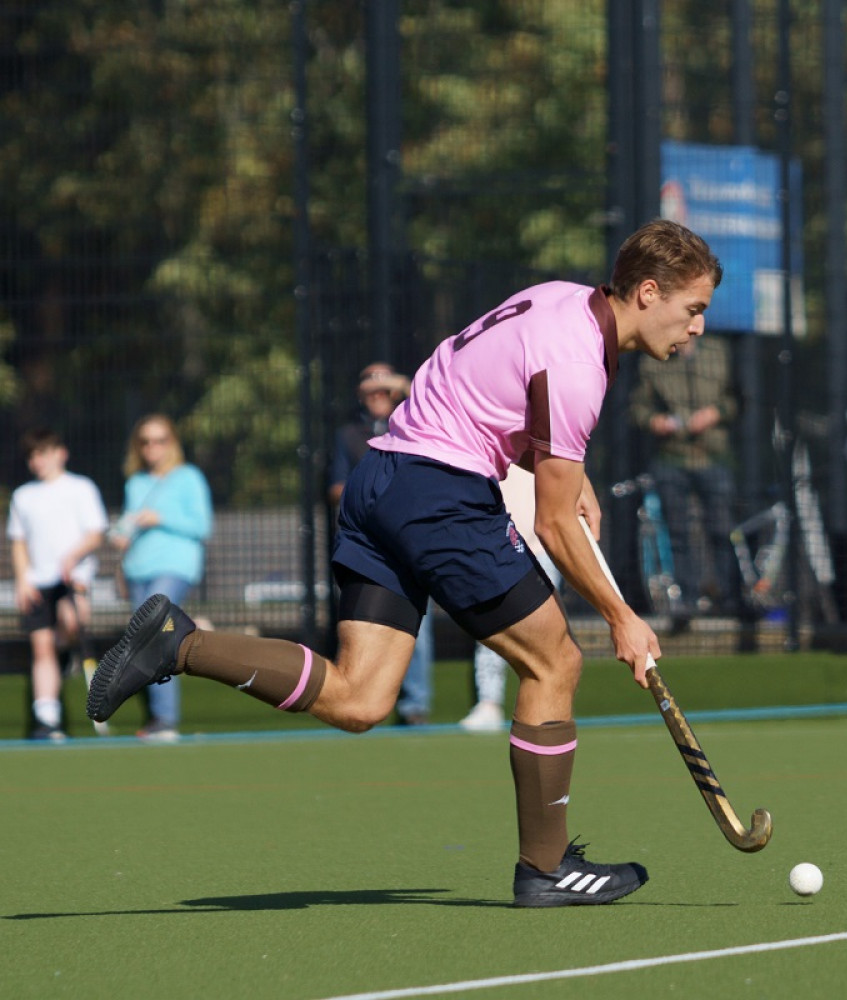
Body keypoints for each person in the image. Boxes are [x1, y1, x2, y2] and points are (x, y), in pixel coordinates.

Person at [88, 219, 722, 907]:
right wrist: (622, 617)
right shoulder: (579, 361)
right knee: (555, 662)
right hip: (438, 497)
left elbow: (480, 385)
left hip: (379, 478)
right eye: (693, 311)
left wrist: (568, 471)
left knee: (360, 699)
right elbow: (551, 523)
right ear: (649, 292)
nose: (696, 329)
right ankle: (545, 869)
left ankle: (181, 644)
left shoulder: (562, 299)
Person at [328, 362, 435, 725]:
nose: (378, 393)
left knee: (416, 622)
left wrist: (400, 384)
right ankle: (358, 697)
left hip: (410, 539)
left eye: (384, 386)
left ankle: (414, 704)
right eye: (369, 386)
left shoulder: (414, 425)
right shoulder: (349, 435)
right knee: (361, 626)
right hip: (367, 544)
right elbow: (336, 488)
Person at [108, 414, 212, 742]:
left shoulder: (188, 477)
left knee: (156, 634)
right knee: (146, 640)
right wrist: (121, 537)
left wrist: (161, 518)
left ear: (172, 442)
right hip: (138, 569)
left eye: (160, 440)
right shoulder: (135, 482)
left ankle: (166, 718)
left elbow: (202, 525)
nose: (153, 447)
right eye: (146, 441)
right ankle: (158, 717)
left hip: (174, 566)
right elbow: (127, 525)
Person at [629, 334, 741, 623]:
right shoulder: (654, 357)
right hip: (671, 457)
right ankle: (687, 601)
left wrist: (716, 413)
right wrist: (656, 422)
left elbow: (738, 398)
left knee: (722, 529)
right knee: (677, 532)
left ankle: (729, 598)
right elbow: (638, 409)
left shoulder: (719, 352)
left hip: (713, 456)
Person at [7, 427, 108, 740]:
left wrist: (72, 557)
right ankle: (47, 719)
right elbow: (19, 541)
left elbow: (94, 533)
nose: (38, 461)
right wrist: (23, 579)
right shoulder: (23, 496)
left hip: (73, 578)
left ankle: (64, 657)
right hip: (39, 582)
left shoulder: (81, 488)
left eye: (44, 453)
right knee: (41, 648)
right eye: (33, 455)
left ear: (60, 453)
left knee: (71, 624)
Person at [459, 464, 562, 732]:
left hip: (542, 549)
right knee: (495, 627)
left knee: (549, 633)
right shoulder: (492, 441)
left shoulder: (546, 443)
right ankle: (489, 704)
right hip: (499, 547)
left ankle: (550, 705)